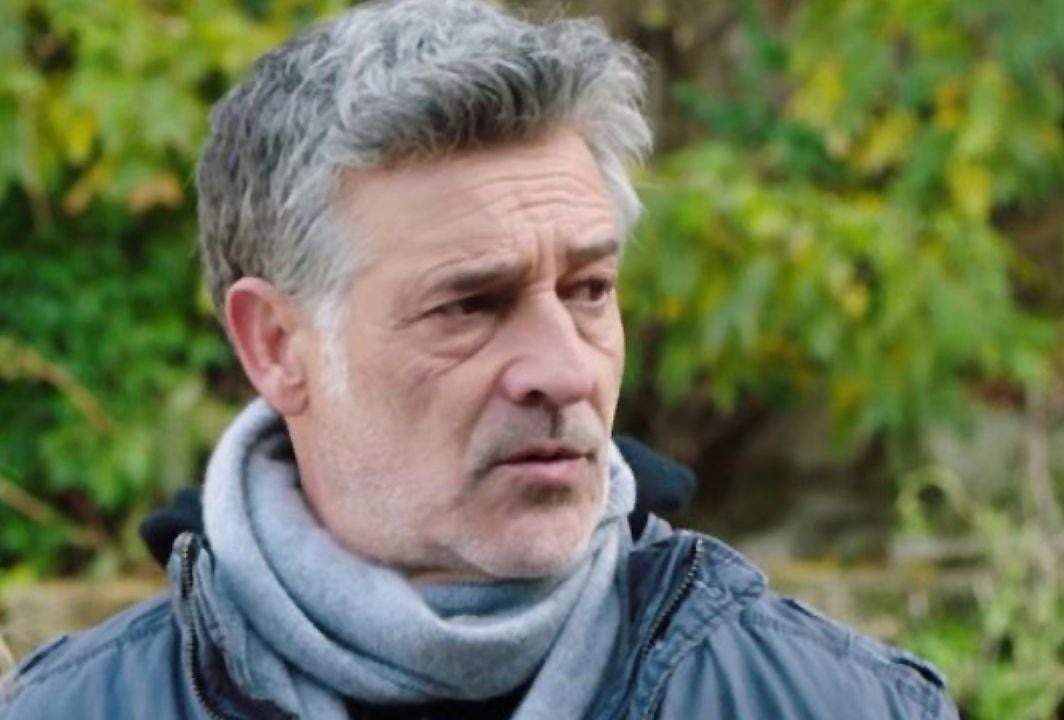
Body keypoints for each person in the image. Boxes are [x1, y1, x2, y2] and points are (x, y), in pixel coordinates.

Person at [0, 0, 957, 717]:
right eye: (470, 305)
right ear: (278, 346)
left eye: (589, 290)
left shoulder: (840, 704)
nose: (567, 371)